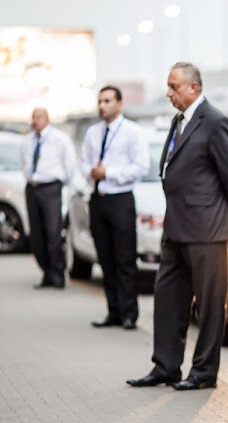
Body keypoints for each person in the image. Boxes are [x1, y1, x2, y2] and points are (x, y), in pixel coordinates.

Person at [127, 62, 228, 391]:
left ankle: (204, 373)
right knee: (167, 300)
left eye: (173, 87)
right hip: (176, 227)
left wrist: (226, 215)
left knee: (209, 306)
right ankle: (165, 367)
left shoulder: (215, 122)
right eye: (168, 86)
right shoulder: (178, 120)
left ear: (193, 88)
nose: (168, 93)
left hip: (207, 229)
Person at [80, 86, 149, 330]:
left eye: (107, 101)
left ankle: (130, 313)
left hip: (121, 199)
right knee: (105, 259)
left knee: (125, 259)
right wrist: (92, 172)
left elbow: (141, 167)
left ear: (119, 103)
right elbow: (85, 162)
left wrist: (109, 173)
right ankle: (113, 311)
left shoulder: (132, 132)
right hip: (98, 199)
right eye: (100, 101)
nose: (102, 106)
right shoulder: (92, 133)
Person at [19, 107, 77, 289]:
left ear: (47, 119)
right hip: (32, 188)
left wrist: (59, 185)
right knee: (37, 234)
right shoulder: (27, 140)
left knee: (53, 232)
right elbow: (23, 162)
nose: (35, 121)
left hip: (51, 188)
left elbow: (70, 165)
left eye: (39, 117)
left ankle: (58, 273)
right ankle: (46, 272)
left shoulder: (59, 139)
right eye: (33, 117)